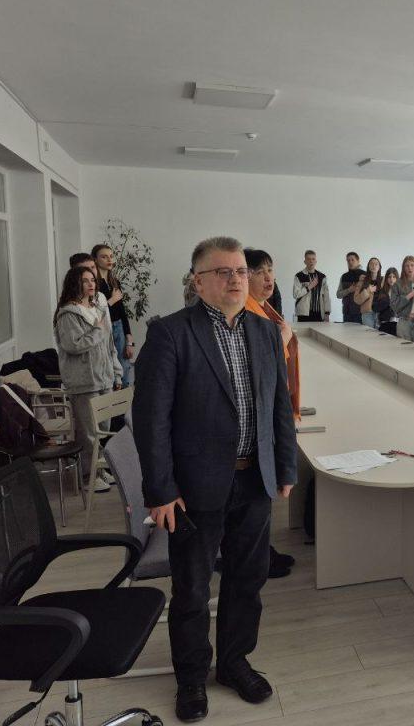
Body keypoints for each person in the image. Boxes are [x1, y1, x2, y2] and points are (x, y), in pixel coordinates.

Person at [133, 236, 297, 721]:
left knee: (248, 580)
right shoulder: (170, 333)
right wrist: (160, 490)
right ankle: (190, 677)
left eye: (241, 271)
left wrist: (285, 466)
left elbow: (279, 405)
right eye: (223, 272)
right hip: (193, 488)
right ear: (198, 281)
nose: (235, 280)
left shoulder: (266, 331)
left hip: (255, 481)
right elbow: (152, 420)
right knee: (191, 589)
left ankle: (233, 663)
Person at [243, 249, 300, 579]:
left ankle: (262, 549)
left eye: (271, 271)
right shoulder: (249, 312)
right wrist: (282, 339)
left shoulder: (263, 308)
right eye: (260, 271)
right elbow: (263, 368)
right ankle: (258, 554)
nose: (268, 278)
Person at [53, 266, 122, 495]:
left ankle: (99, 470)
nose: (91, 284)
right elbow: (73, 345)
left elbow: (109, 344)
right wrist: (97, 331)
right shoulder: (68, 314)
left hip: (104, 378)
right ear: (75, 283)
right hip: (84, 382)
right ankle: (87, 476)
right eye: (85, 280)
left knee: (103, 429)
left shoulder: (98, 309)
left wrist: (116, 371)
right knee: (89, 433)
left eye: (93, 280)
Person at [91, 244, 134, 387]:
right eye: (104, 257)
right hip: (103, 328)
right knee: (109, 370)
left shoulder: (114, 282)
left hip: (118, 327)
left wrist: (129, 338)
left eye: (111, 256)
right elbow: (95, 313)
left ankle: (123, 401)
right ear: (95, 260)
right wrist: (112, 300)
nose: (109, 260)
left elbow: (122, 312)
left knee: (125, 367)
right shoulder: (94, 285)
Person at [391, 256, 414, 343]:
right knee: (404, 348)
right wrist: (409, 295)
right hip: (404, 321)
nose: (410, 268)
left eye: (412, 265)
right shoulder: (397, 284)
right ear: (403, 268)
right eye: (407, 266)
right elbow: (394, 305)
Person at [293, 250, 330, 322]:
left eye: (313, 259)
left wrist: (327, 313)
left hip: (319, 314)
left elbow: (326, 296)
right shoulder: (299, 276)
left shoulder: (322, 277)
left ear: (316, 261)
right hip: (303, 314)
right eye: (308, 259)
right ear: (305, 261)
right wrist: (309, 287)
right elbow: (296, 294)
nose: (311, 261)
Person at [353, 257, 383, 329]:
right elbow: (356, 300)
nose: (374, 266)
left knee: (380, 335)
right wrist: (367, 291)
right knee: (369, 335)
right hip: (367, 314)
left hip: (381, 313)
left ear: (379, 267)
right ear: (368, 266)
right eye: (371, 264)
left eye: (376, 264)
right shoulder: (362, 281)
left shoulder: (384, 281)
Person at [336, 252, 366, 323]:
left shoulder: (365, 275)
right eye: (348, 260)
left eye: (352, 260)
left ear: (358, 261)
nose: (350, 262)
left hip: (361, 313)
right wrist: (349, 290)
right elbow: (338, 295)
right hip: (347, 313)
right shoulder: (344, 276)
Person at [377, 267, 399, 336]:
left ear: (397, 278)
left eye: (394, 277)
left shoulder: (401, 292)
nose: (391, 279)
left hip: (397, 324)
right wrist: (388, 300)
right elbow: (376, 308)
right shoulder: (382, 292)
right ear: (386, 278)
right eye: (389, 277)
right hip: (384, 323)